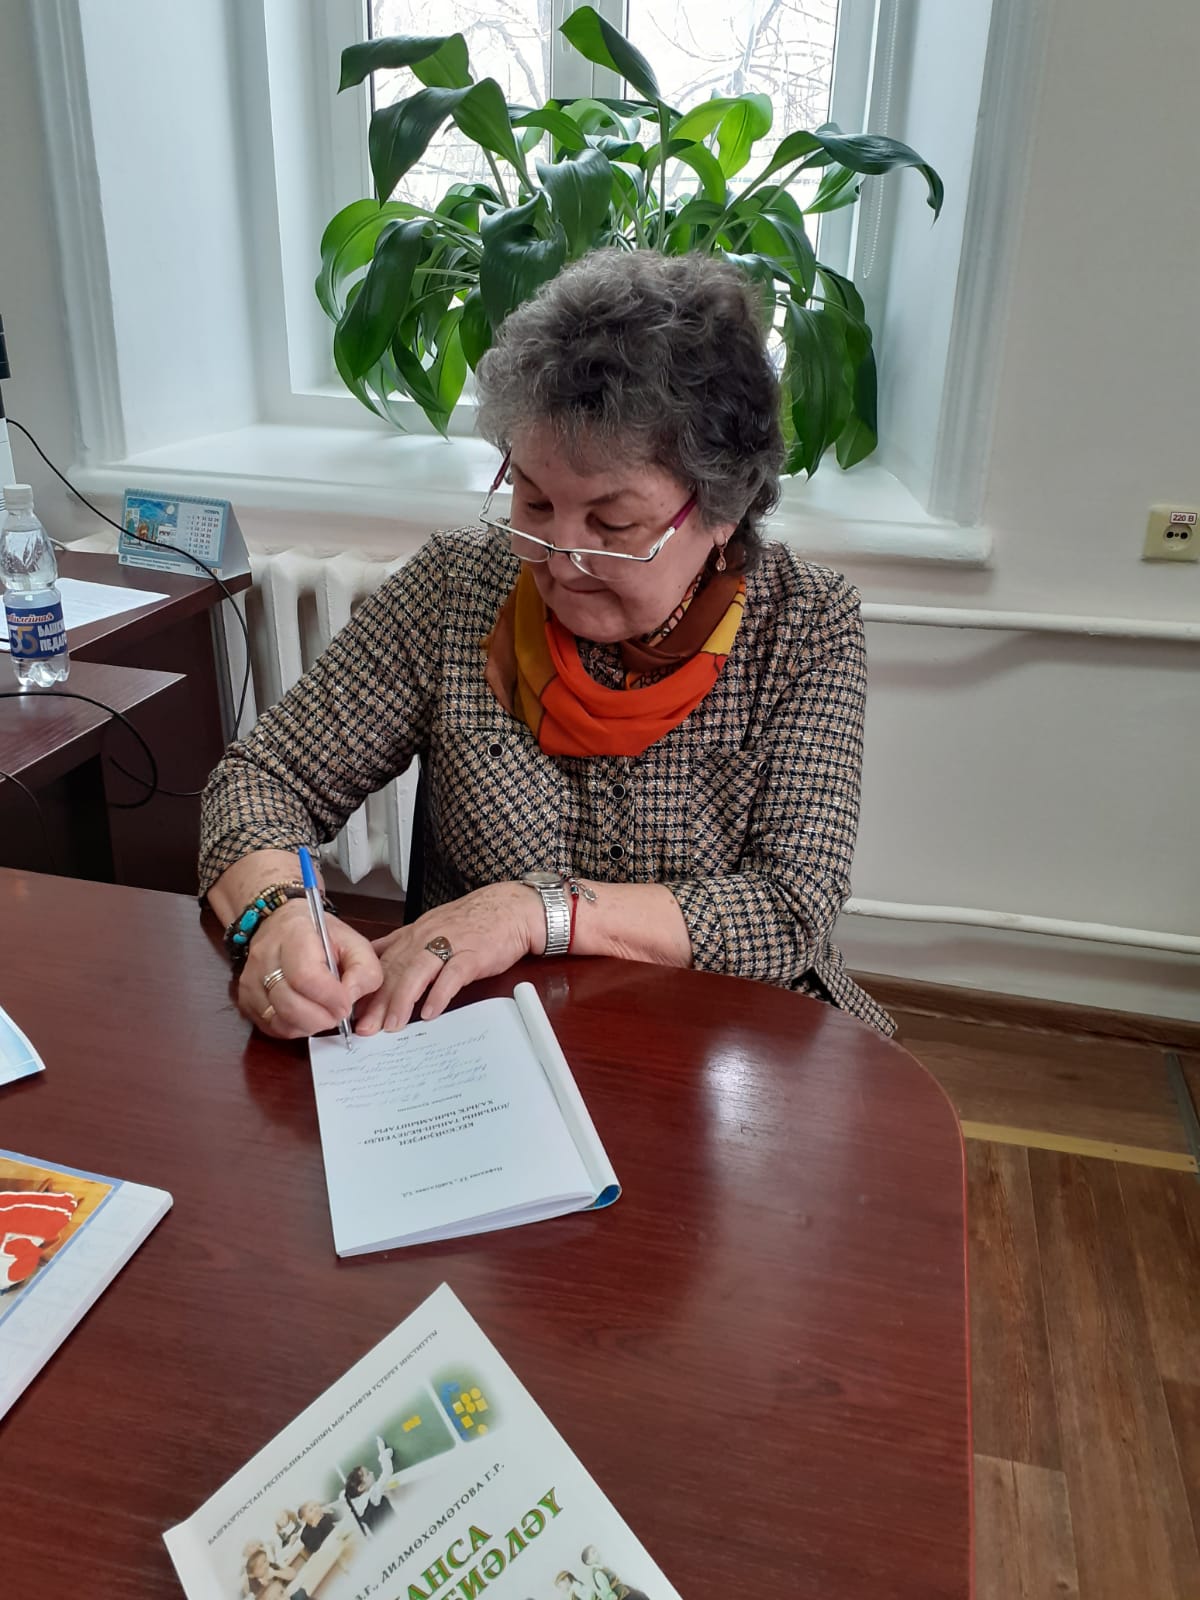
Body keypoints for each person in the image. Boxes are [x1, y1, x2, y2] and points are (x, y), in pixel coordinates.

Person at [199, 250, 893, 1040]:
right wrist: (279, 916)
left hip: (723, 1043)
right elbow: (264, 778)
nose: (560, 562)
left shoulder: (805, 624)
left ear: (723, 510)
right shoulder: (458, 588)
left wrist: (535, 911)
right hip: (482, 1036)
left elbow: (789, 907)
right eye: (532, 503)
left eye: (612, 524)